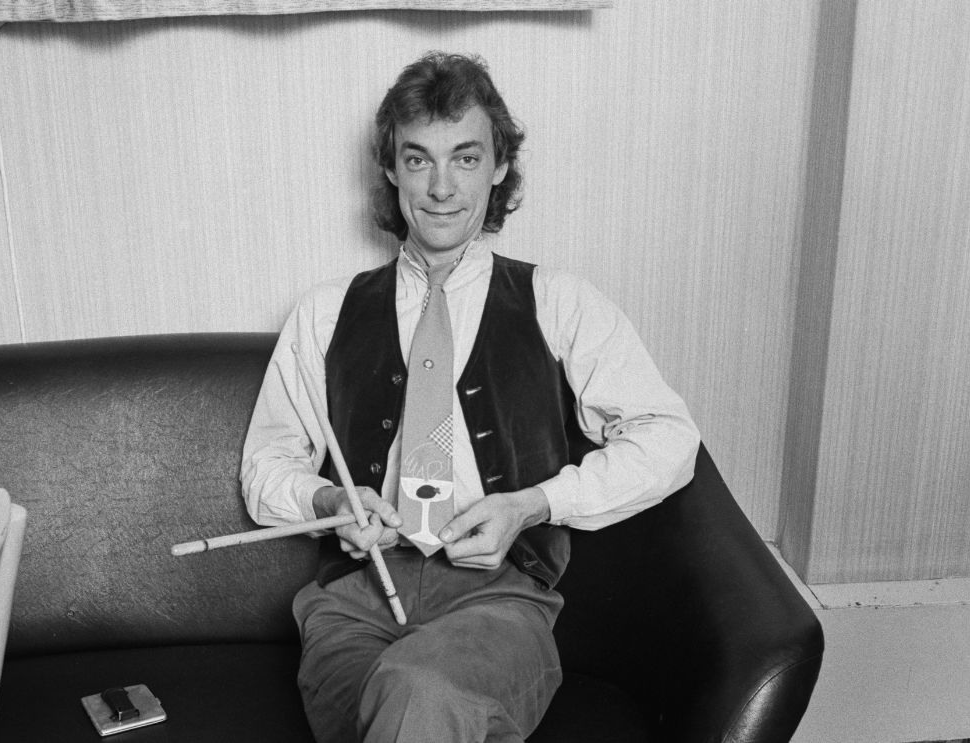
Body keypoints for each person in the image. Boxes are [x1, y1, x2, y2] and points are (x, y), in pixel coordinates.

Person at [241, 51, 700, 743]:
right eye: (417, 159)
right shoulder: (322, 314)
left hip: (500, 599)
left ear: (497, 167)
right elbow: (264, 467)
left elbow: (668, 438)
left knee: (418, 692)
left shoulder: (562, 301)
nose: (440, 187)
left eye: (464, 157)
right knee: (413, 711)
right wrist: (330, 501)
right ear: (391, 169)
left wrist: (532, 505)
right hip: (353, 602)